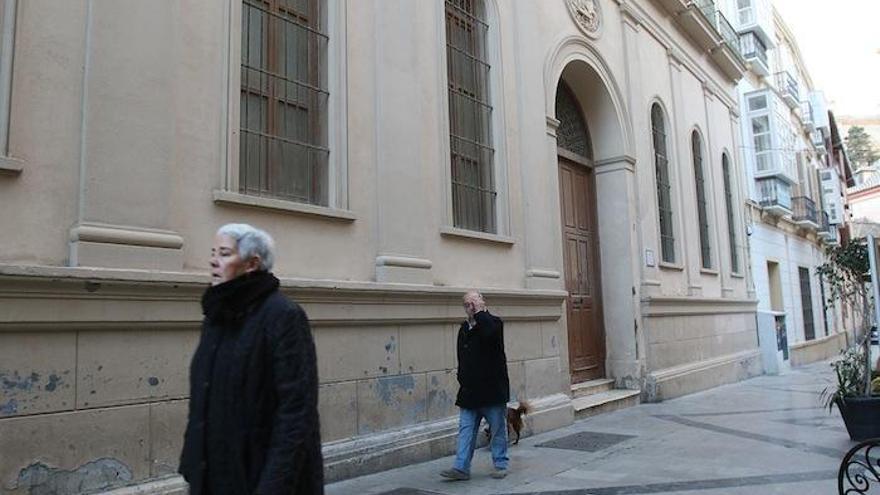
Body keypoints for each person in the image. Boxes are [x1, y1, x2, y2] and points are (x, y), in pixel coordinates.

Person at [179, 223, 323, 495]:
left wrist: (274, 486)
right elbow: (204, 395)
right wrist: (193, 463)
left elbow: (296, 412)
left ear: (251, 263)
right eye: (213, 252)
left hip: (261, 480)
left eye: (224, 253)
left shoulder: (283, 316)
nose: (213, 261)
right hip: (213, 476)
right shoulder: (217, 315)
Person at [440, 290, 510, 480]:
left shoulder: (494, 323)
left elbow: (489, 335)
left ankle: (500, 464)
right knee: (465, 430)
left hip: (492, 390)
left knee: (497, 430)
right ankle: (461, 468)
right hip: (469, 391)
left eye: (473, 302)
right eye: (466, 304)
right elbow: (461, 357)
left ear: (482, 303)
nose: (469, 306)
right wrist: (462, 378)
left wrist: (480, 313)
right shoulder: (464, 328)